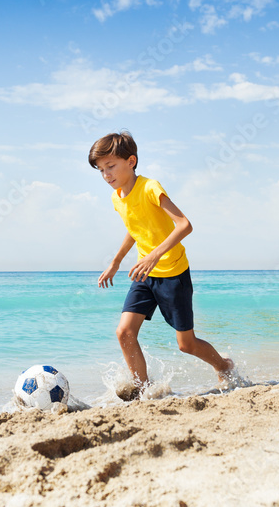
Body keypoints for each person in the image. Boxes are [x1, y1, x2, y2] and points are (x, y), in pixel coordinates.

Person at [89, 131, 240, 401]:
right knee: (124, 332)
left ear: (131, 161)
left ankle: (224, 366)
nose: (106, 175)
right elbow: (136, 230)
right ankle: (143, 390)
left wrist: (154, 255)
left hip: (172, 273)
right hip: (144, 274)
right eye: (101, 170)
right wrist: (115, 261)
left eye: (110, 166)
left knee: (187, 345)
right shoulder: (117, 197)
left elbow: (185, 224)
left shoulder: (150, 188)